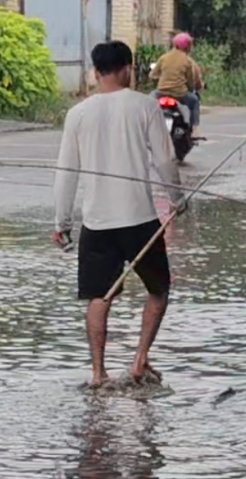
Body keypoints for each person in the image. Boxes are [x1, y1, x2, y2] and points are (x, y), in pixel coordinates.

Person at [54, 40, 186, 388]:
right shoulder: (145, 106)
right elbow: (164, 161)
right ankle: (139, 360)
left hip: (96, 223)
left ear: (96, 73)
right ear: (128, 68)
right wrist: (176, 199)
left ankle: (98, 374)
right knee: (159, 290)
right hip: (140, 219)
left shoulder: (77, 114)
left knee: (100, 297)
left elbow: (66, 172)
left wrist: (61, 223)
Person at [149, 32, 202, 133]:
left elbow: (152, 74)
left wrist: (160, 77)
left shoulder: (164, 57)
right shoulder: (187, 61)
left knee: (148, 101)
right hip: (179, 94)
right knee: (194, 101)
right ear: (187, 47)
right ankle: (194, 129)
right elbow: (191, 81)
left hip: (161, 92)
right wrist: (191, 89)